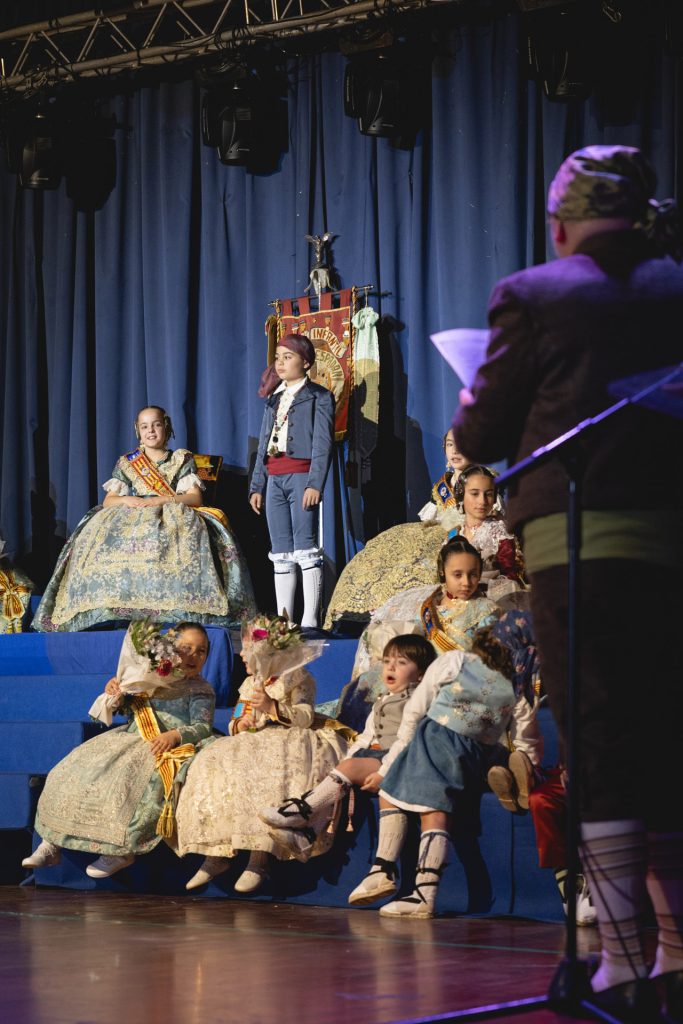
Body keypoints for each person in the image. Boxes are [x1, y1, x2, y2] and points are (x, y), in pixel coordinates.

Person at [453, 145, 683, 1020]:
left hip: (579, 542)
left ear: (559, 225)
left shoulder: (537, 293)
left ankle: (620, 967)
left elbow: (482, 430)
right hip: (670, 543)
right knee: (666, 739)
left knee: (600, 740)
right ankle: (674, 961)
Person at [32, 405, 255, 631]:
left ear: (166, 428)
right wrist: (128, 500)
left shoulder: (181, 458)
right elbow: (109, 501)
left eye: (156, 425)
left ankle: (180, 610)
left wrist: (163, 500)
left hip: (171, 511)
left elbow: (195, 498)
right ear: (137, 430)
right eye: (145, 426)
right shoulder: (128, 462)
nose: (151, 431)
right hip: (134, 511)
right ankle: (111, 609)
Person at [346, 626, 516, 918]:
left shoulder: (455, 661)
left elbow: (415, 711)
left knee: (419, 802)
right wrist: (526, 757)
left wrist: (390, 763)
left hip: (434, 741)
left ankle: (401, 881)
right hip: (473, 756)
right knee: (422, 802)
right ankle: (400, 880)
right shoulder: (513, 682)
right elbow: (525, 733)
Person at [22, 622, 215, 878]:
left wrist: (175, 735)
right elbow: (126, 710)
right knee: (76, 769)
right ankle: (51, 844)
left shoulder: (201, 689)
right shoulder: (149, 676)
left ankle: (120, 852)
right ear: (169, 649)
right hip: (131, 739)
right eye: (186, 648)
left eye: (201, 651)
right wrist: (117, 691)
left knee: (131, 782)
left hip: (168, 745)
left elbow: (203, 727)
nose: (193, 656)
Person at [175, 614, 349, 893]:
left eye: (247, 648)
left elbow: (305, 716)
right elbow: (237, 716)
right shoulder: (250, 683)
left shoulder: (297, 677)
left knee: (269, 766)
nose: (242, 654)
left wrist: (271, 707)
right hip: (253, 738)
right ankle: (216, 853)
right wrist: (240, 723)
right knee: (213, 761)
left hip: (288, 736)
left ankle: (259, 859)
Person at [258, 634, 437, 859]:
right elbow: (365, 737)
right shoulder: (382, 701)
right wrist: (347, 759)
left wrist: (381, 772)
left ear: (421, 674)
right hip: (377, 756)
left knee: (348, 770)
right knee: (337, 773)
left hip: (400, 760)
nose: (391, 667)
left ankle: (299, 812)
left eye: (401, 663)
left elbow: (408, 742)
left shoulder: (417, 702)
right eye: (386, 661)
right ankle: (307, 834)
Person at [323, 432, 506, 630]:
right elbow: (432, 516)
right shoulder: (442, 486)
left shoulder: (484, 479)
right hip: (439, 530)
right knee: (390, 550)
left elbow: (493, 513)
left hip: (465, 534)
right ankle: (368, 607)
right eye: (450, 445)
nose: (455, 451)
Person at [250, 335, 336, 630]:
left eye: (288, 357)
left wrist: (315, 483)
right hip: (274, 478)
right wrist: (257, 485)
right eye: (278, 357)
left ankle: (310, 620)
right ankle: (284, 621)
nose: (280, 363)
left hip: (301, 477)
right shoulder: (273, 399)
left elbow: (322, 445)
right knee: (281, 551)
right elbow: (264, 442)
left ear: (306, 363)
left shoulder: (319, 396)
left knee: (305, 547)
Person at [446, 464, 527, 605]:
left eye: (488, 494)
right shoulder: (454, 534)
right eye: (474, 493)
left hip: (491, 598)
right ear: (461, 494)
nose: (482, 501)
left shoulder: (498, 532)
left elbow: (509, 575)